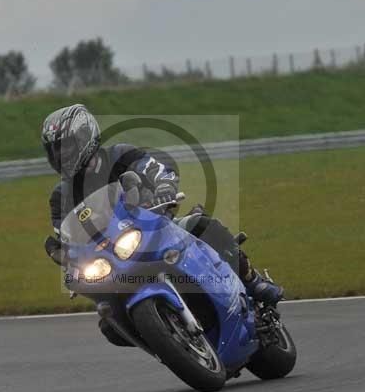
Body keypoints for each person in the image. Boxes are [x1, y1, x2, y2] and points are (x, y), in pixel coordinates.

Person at [40, 104, 283, 345]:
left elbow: (158, 171)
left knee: (200, 224)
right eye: (54, 151)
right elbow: (67, 237)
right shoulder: (61, 197)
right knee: (108, 322)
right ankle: (168, 344)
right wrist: (65, 255)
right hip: (112, 258)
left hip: (155, 228)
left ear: (85, 137)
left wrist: (164, 188)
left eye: (65, 147)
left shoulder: (121, 155)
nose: (60, 156)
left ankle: (253, 281)